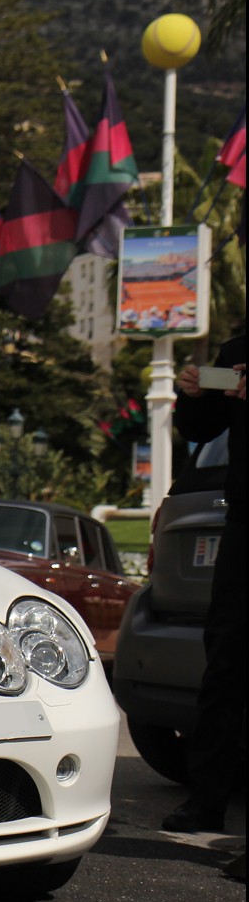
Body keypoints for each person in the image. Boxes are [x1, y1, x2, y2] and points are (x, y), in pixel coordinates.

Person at [163, 330, 245, 838]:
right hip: (243, 521)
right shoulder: (237, 349)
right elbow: (200, 428)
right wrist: (192, 394)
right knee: (225, 660)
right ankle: (207, 799)